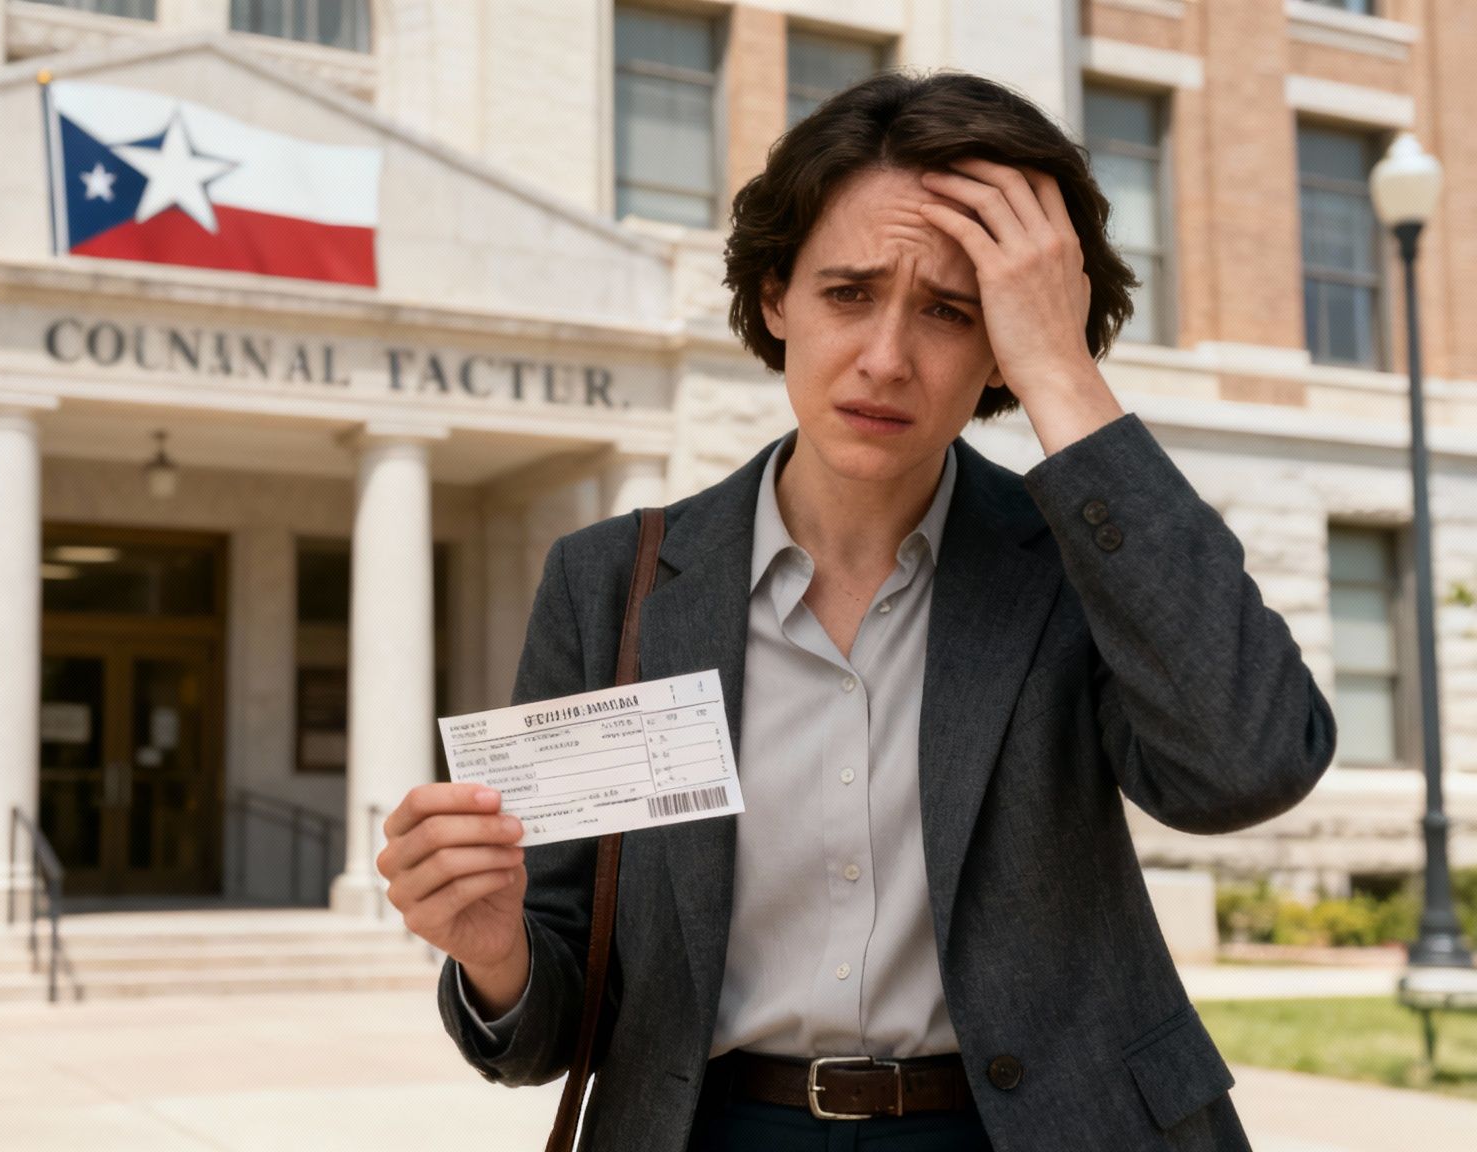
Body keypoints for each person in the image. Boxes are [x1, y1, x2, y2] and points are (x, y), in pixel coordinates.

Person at [375, 70, 1337, 1152]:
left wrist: (1063, 372)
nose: (885, 358)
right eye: (846, 293)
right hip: (717, 1130)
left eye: (949, 312)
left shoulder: (1082, 562)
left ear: (999, 345)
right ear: (776, 295)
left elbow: (1249, 762)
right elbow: (559, 1016)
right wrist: (493, 949)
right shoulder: (614, 583)